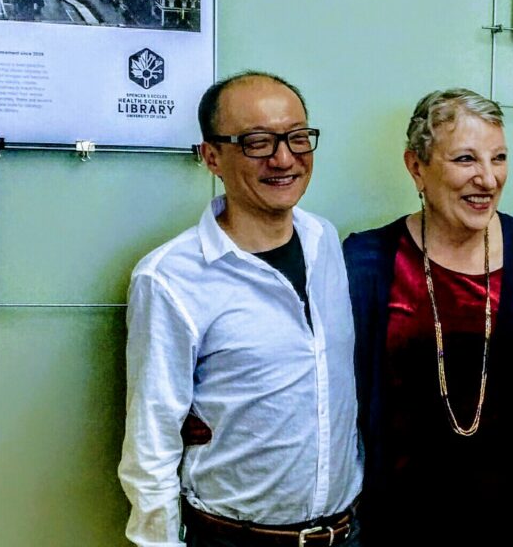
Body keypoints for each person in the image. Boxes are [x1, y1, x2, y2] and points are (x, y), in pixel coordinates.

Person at [343, 89, 513, 547]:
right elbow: (344, 383)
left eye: (499, 158)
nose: (487, 179)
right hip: (405, 515)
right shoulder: (367, 261)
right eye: (466, 159)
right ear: (417, 167)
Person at [119, 71, 363, 547]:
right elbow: (152, 440)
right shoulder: (169, 277)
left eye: (297, 137)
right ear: (212, 156)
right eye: (257, 142)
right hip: (235, 539)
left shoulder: (325, 242)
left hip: (344, 532)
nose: (284, 158)